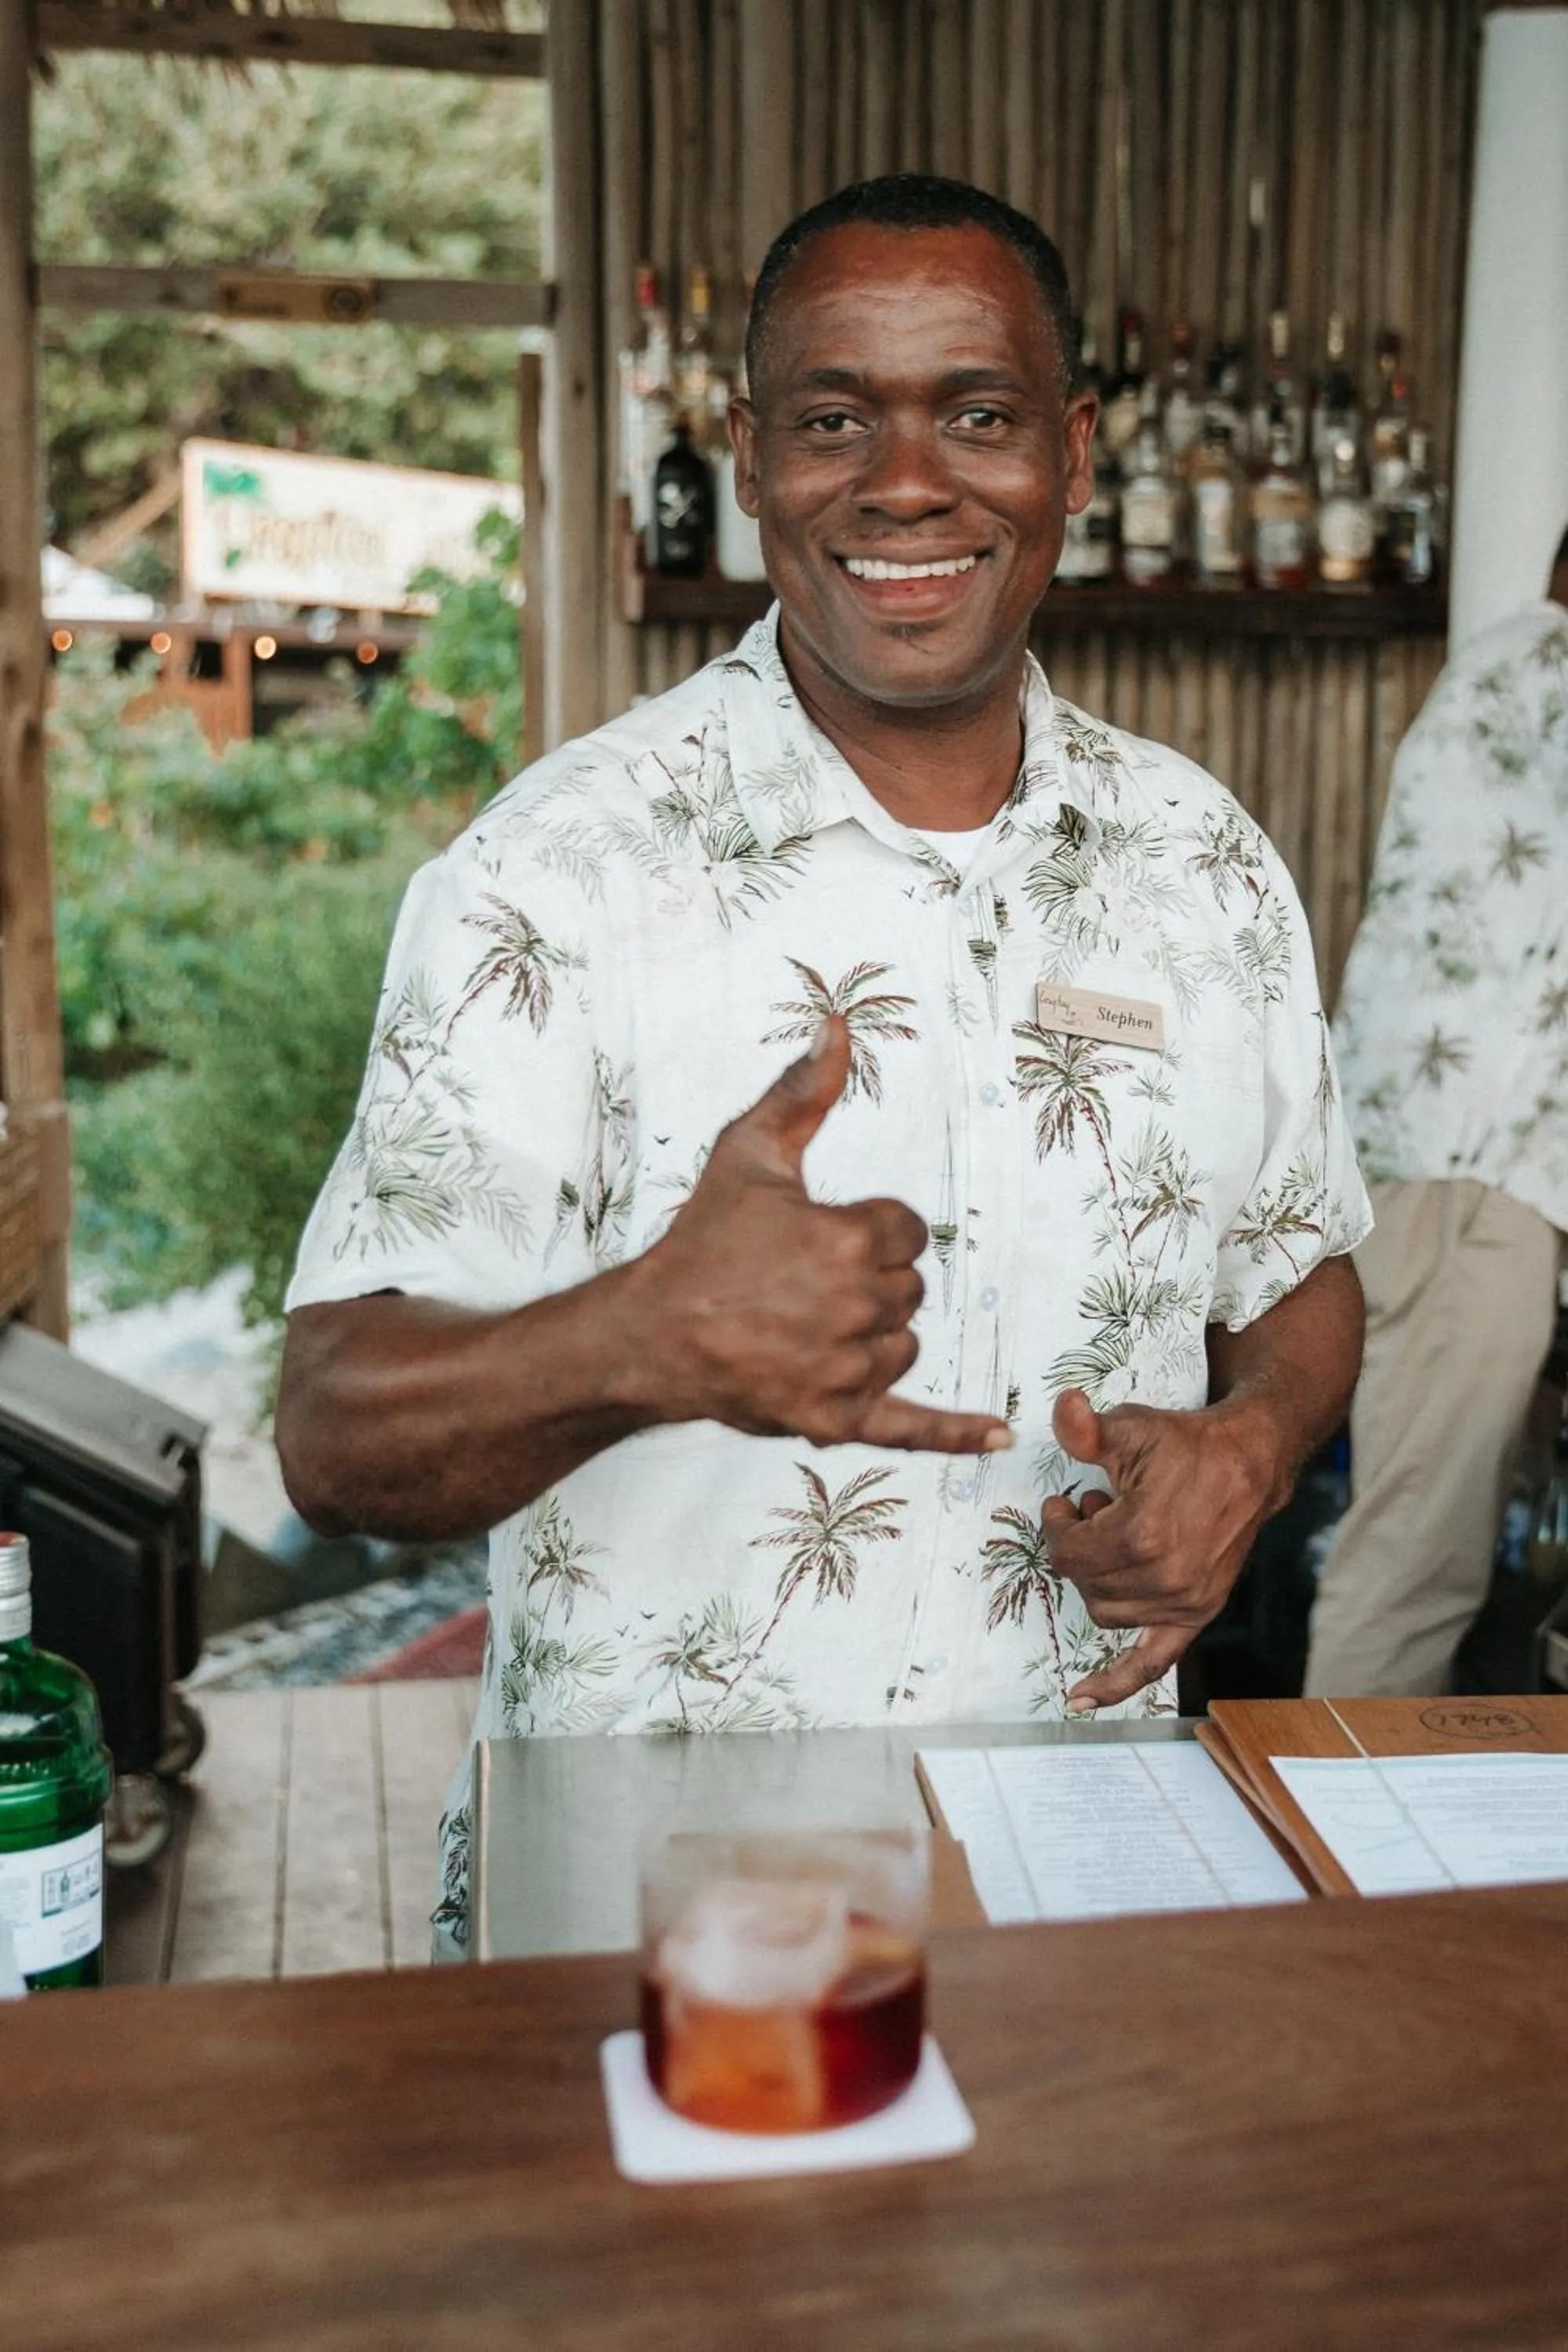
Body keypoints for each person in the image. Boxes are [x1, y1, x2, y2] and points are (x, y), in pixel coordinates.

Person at [275, 175, 1369, 1946]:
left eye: (982, 416)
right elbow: (329, 1435)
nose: (908, 481)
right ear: (746, 453)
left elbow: (1301, 1262)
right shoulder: (555, 874)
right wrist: (627, 1339)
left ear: (1074, 453)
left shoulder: (1205, 864)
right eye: (836, 417)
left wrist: (1251, 1443)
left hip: (1080, 1895)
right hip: (651, 1927)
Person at [1305, 530, 1568, 1697]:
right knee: (1415, 1568)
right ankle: (1339, 1872)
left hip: (1443, 1161)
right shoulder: (1548, 680)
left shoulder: (1501, 674)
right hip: (1480, 1173)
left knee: (1411, 1546)